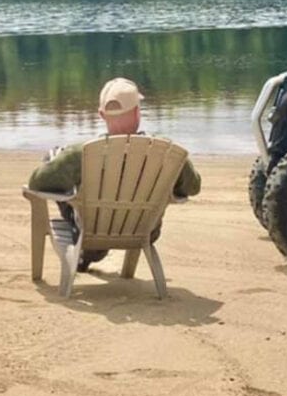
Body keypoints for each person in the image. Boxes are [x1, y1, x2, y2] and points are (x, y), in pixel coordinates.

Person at [27, 77, 200, 272]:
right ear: (137, 112)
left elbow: (37, 182)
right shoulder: (168, 152)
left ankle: (89, 250)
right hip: (144, 230)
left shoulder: (83, 154)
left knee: (54, 158)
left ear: (102, 115)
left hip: (92, 234)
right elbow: (193, 187)